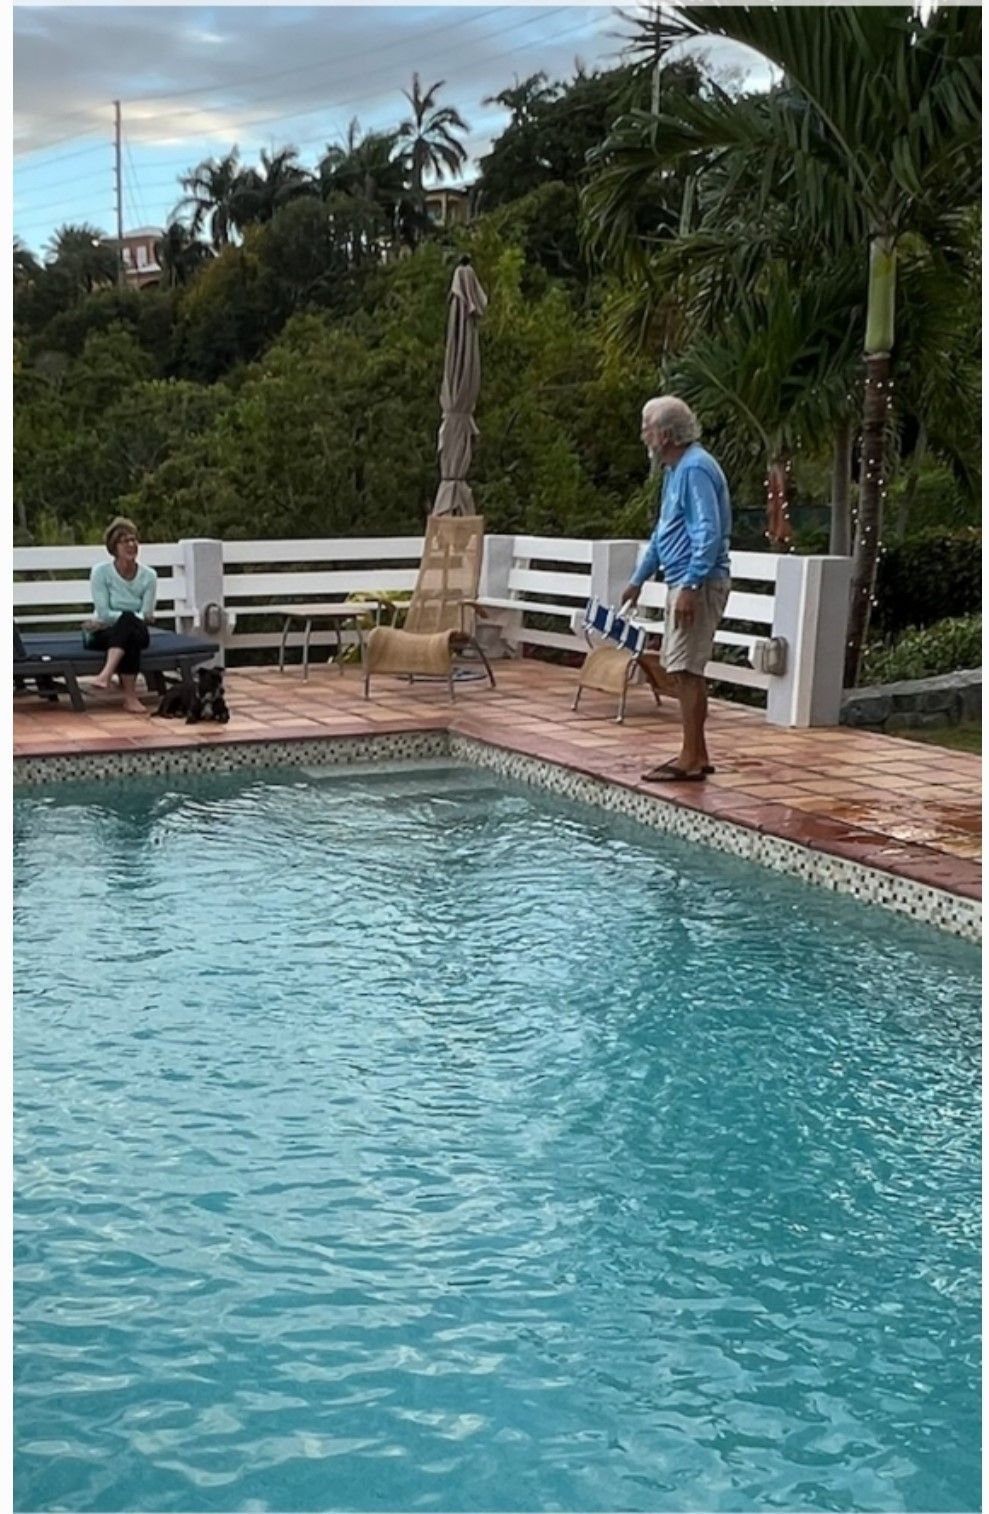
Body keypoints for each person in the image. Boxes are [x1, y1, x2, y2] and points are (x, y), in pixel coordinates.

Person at [620, 396, 732, 783]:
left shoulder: (696, 468)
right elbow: (663, 534)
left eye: (647, 427)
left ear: (665, 434)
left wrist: (690, 584)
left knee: (685, 669)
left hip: (695, 584)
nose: (643, 435)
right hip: (683, 580)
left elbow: (708, 531)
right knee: (683, 669)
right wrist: (638, 579)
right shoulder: (675, 471)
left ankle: (691, 757)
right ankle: (696, 753)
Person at [85, 517, 157, 714]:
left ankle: (106, 674)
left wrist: (132, 618)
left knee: (129, 624)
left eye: (134, 540)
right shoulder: (101, 573)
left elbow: (148, 613)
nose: (131, 545)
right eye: (125, 541)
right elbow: (105, 614)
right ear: (114, 546)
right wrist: (134, 617)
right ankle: (130, 698)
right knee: (129, 633)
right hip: (103, 632)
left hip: (136, 629)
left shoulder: (149, 576)